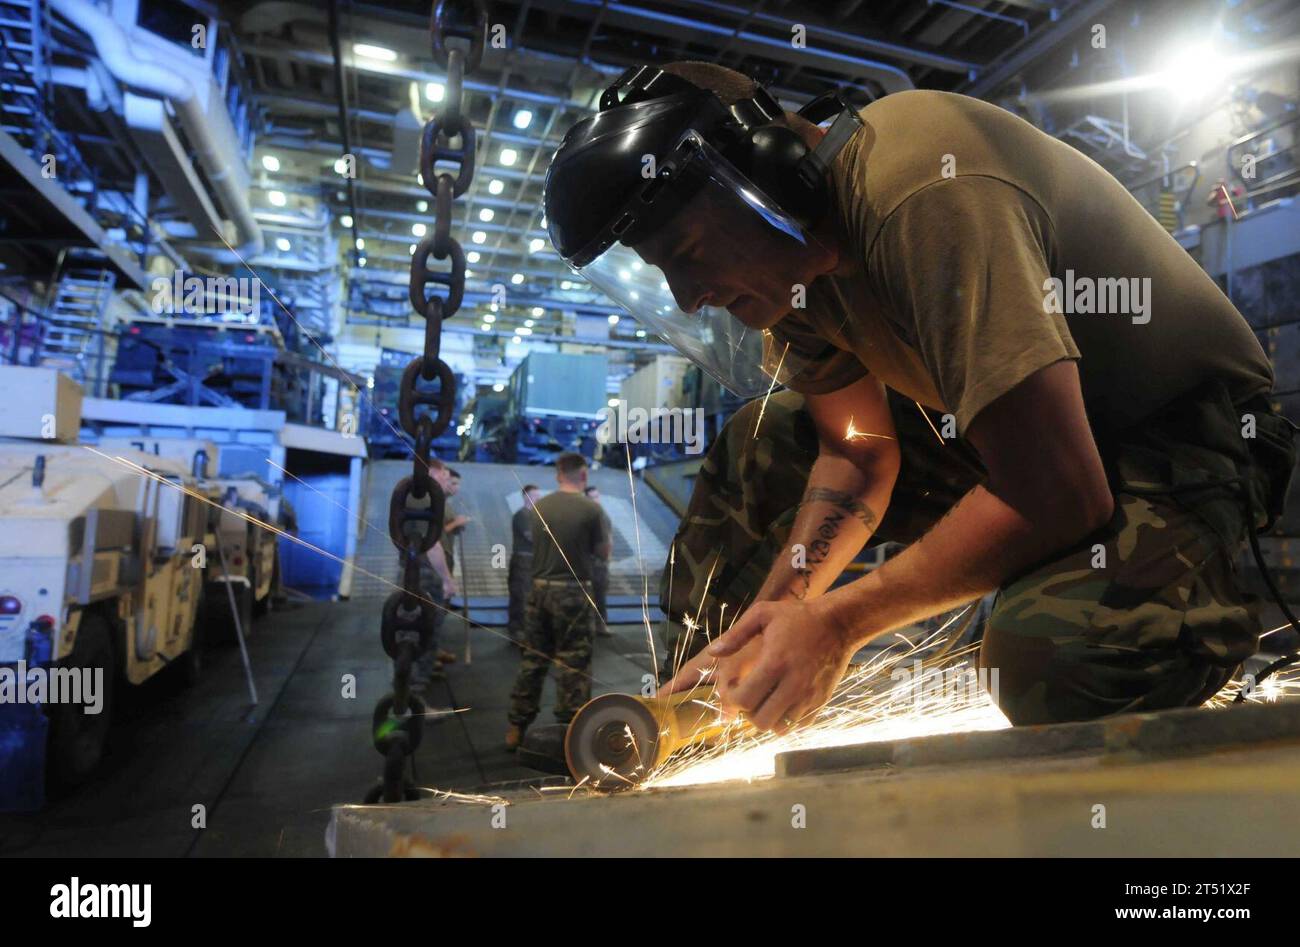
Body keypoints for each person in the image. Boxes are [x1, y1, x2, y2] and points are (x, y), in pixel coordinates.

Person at [544, 61, 1298, 731]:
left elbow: (1060, 488)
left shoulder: (921, 194)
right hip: (1023, 434)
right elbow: (858, 451)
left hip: (1181, 439)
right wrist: (788, 611)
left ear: (761, 175)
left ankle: (1186, 616)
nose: (687, 298)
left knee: (1044, 659)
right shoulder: (795, 268)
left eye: (690, 255)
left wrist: (842, 623)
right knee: (766, 439)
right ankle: (721, 696)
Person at [506, 453, 611, 749]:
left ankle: (516, 726)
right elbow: (603, 553)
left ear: (558, 474)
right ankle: (570, 731)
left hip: (538, 590)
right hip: (573, 592)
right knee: (573, 661)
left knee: (533, 659)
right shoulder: (591, 510)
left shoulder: (539, 507)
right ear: (584, 475)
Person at [508, 483, 542, 645]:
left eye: (538, 495)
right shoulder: (522, 515)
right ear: (525, 497)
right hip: (523, 561)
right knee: (521, 595)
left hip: (533, 560)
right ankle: (517, 631)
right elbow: (531, 536)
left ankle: (524, 628)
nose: (538, 498)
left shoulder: (535, 516)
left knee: (529, 597)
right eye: (534, 495)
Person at [584, 485, 614, 636]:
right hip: (586, 563)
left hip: (600, 564)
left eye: (597, 496)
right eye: (592, 497)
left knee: (600, 596)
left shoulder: (603, 516)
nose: (596, 500)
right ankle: (587, 626)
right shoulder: (584, 517)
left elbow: (609, 538)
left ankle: (600, 625)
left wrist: (607, 558)